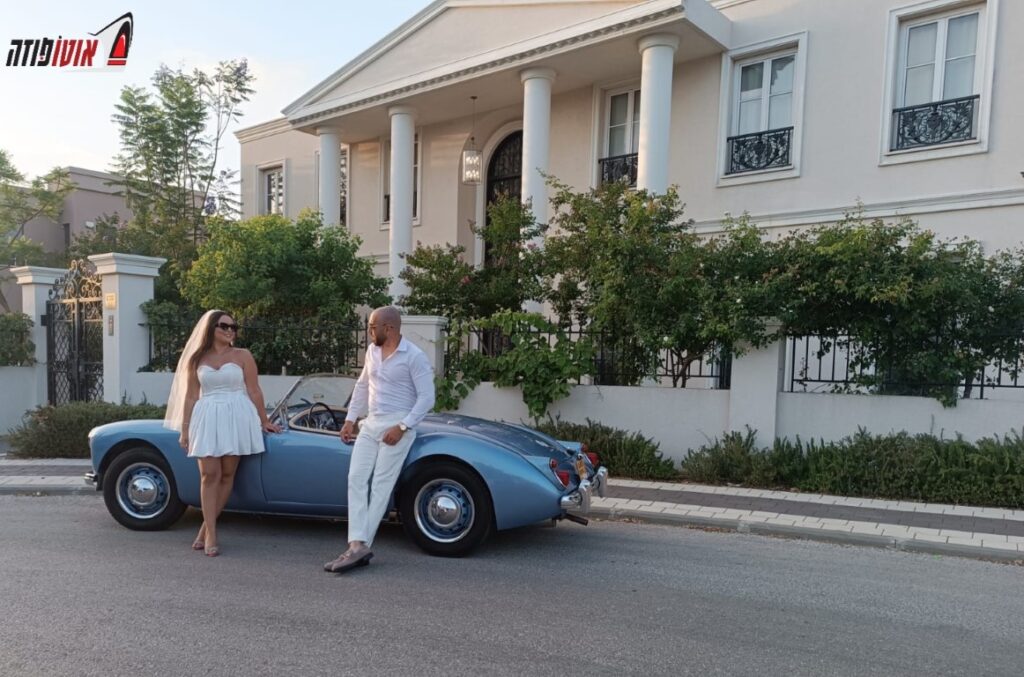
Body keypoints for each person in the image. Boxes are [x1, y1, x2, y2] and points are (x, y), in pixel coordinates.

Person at [324, 306, 436, 573]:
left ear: (389, 328)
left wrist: (403, 426)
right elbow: (363, 386)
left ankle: (360, 546)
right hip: (371, 422)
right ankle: (356, 544)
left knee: (380, 486)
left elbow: (427, 398)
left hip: (397, 424)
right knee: (356, 478)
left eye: (372, 327)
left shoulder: (414, 356)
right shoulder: (372, 352)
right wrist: (350, 419)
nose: (369, 332)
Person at [164, 309, 281, 557]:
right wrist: (185, 430)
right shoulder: (196, 359)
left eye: (233, 327)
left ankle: (205, 529)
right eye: (224, 326)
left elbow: (254, 390)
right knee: (209, 475)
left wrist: (264, 420)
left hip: (237, 414)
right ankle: (212, 534)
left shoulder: (243, 355)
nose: (230, 331)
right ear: (211, 328)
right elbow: (191, 396)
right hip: (207, 415)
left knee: (227, 474)